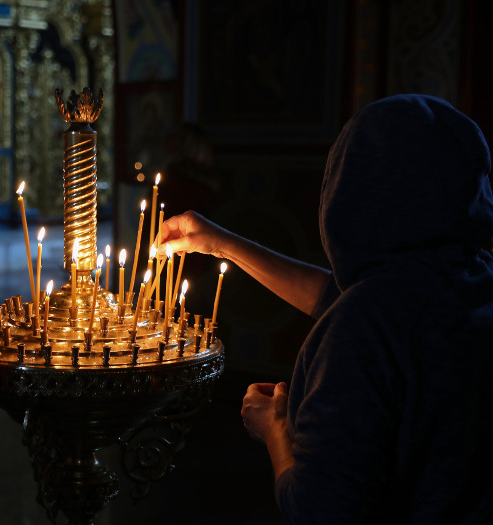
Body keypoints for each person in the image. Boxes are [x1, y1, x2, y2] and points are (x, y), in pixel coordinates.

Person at [159, 94, 493, 522]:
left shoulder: (363, 329)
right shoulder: (470, 282)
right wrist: (220, 241)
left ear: (351, 190)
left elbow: (317, 509)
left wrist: (276, 430)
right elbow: (333, 295)